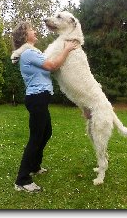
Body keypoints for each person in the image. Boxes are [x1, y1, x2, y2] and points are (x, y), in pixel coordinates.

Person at [11, 21, 78, 192]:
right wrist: (67, 49)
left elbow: (49, 65)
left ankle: (34, 166)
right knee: (35, 137)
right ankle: (22, 180)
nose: (35, 31)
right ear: (25, 36)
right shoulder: (28, 53)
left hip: (40, 98)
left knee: (46, 132)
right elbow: (52, 65)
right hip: (37, 98)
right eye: (31, 30)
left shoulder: (31, 52)